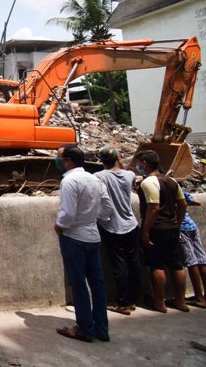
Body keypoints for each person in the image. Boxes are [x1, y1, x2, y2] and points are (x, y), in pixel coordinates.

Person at [54, 145, 113, 343]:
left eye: (60, 158)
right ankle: (102, 330)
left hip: (74, 237)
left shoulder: (69, 181)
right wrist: (90, 218)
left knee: (78, 284)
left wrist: (60, 226)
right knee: (97, 284)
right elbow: (107, 208)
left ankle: (85, 329)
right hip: (93, 236)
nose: (58, 161)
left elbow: (68, 214)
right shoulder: (95, 179)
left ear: (68, 161)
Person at [134, 149, 189, 313]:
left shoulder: (148, 182)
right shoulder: (172, 181)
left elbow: (154, 207)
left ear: (144, 163)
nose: (137, 166)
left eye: (138, 163)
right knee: (177, 265)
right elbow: (183, 204)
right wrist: (177, 223)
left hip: (156, 229)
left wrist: (145, 231)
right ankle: (181, 301)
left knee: (156, 265)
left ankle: (159, 302)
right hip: (172, 229)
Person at [94, 146, 141, 315]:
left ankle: (123, 303)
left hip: (112, 226)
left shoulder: (99, 176)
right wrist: (121, 162)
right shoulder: (128, 175)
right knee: (134, 262)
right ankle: (134, 299)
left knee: (119, 264)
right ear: (117, 158)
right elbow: (127, 174)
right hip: (131, 224)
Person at [179, 189, 206, 308]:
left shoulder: (160, 185)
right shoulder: (177, 185)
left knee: (191, 262)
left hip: (181, 227)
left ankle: (199, 297)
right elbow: (193, 201)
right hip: (191, 225)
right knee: (201, 259)